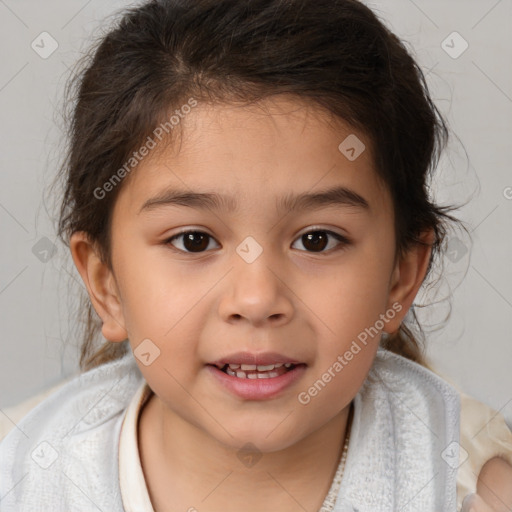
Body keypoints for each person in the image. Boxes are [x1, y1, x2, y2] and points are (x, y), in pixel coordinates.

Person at [1, 0, 511, 510]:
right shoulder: (23, 477)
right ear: (105, 281)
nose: (256, 298)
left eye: (317, 239)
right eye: (193, 240)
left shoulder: (475, 489)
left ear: (401, 277)